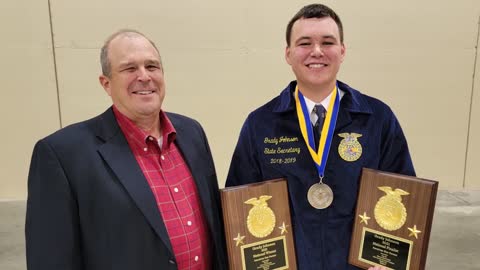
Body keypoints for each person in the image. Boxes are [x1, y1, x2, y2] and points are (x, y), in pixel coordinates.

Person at [225, 4, 415, 270]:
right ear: (288, 54)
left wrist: (391, 263)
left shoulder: (378, 118)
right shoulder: (260, 124)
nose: (317, 51)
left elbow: (403, 194)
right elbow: (241, 206)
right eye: (305, 43)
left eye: (328, 42)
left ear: (342, 51)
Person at [26, 29, 227, 270]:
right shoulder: (63, 155)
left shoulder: (192, 133)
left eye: (152, 66)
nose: (144, 76)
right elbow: (50, 260)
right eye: (129, 69)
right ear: (106, 83)